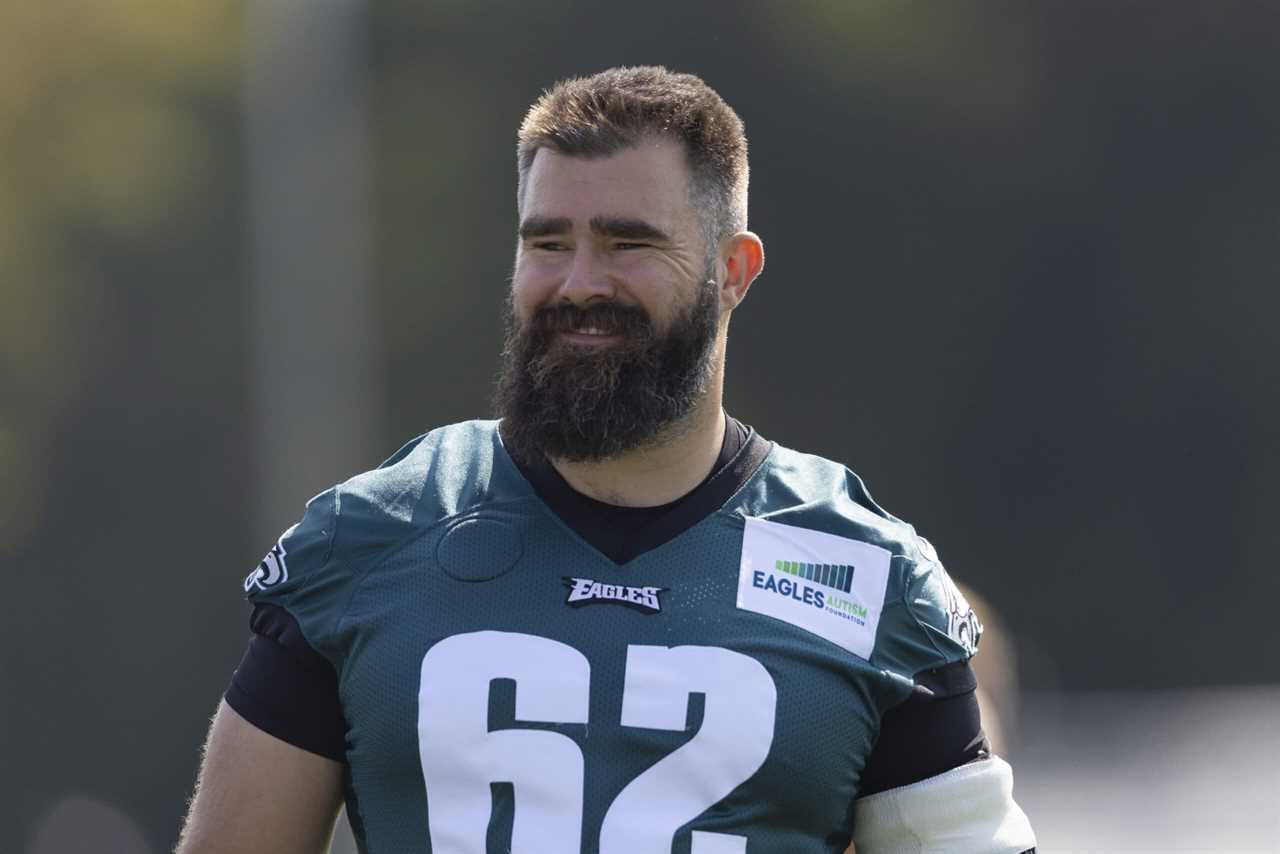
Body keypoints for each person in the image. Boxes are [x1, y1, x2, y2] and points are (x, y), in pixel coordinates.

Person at [176, 66, 1036, 854]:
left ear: (732, 272)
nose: (580, 282)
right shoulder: (368, 542)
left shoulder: (865, 580)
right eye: (548, 242)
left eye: (628, 243)